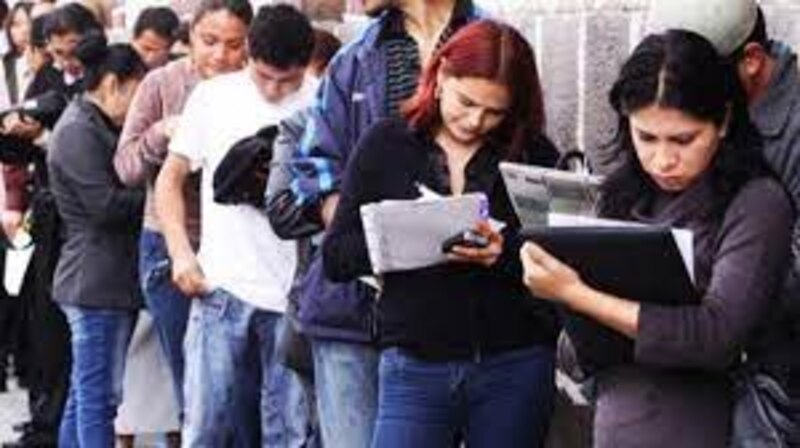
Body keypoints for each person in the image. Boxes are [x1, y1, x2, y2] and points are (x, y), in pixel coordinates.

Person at [520, 30, 794, 448]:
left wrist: (577, 294)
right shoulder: (623, 192)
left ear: (722, 121)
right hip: (618, 416)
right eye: (645, 137)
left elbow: (716, 336)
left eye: (683, 140)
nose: (663, 160)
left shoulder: (757, 202)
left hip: (708, 425)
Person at [322, 19, 559, 447]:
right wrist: (406, 237)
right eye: (466, 102)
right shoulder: (387, 143)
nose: (475, 121)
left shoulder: (533, 154)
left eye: (494, 112)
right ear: (440, 77)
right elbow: (337, 257)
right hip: (414, 362)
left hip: (514, 361)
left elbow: (561, 261)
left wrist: (504, 253)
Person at [269, 1, 482, 445]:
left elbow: (518, 157)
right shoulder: (353, 60)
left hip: (454, 313)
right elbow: (313, 170)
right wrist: (371, 240)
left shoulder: (492, 43)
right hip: (352, 309)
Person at [154, 5, 317, 446]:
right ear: (249, 55)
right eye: (264, 76)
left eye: (288, 80)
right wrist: (180, 253)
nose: (274, 90)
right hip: (221, 289)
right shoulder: (214, 97)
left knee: (289, 433)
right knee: (207, 428)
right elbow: (169, 180)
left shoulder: (323, 100)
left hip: (294, 297)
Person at [648, 0, 800, 418]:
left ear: (751, 60)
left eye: (698, 77)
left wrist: (717, 278)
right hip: (691, 359)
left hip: (777, 383)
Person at [112, 0, 251, 440]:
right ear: (189, 37)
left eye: (234, 45)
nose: (220, 56)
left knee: (244, 381)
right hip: (169, 245)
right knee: (193, 380)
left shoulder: (257, 87)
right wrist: (162, 134)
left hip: (240, 244)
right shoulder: (161, 83)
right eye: (209, 42)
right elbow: (126, 167)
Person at [46, 31, 147, 447]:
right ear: (111, 84)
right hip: (94, 283)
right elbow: (104, 206)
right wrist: (157, 196)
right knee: (98, 399)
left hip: (102, 281)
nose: (139, 106)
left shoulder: (91, 123)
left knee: (87, 394)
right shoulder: (77, 130)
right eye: (136, 94)